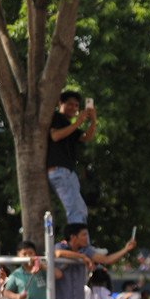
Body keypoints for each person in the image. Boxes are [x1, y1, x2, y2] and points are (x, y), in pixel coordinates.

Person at [48, 89, 96, 224]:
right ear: (61, 104)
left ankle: (82, 240)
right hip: (59, 170)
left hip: (68, 172)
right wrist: (78, 123)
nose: (73, 108)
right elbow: (55, 136)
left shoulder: (70, 126)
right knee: (75, 211)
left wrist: (93, 120)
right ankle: (79, 243)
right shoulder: (57, 118)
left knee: (81, 209)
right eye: (70, 104)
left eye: (76, 106)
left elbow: (87, 137)